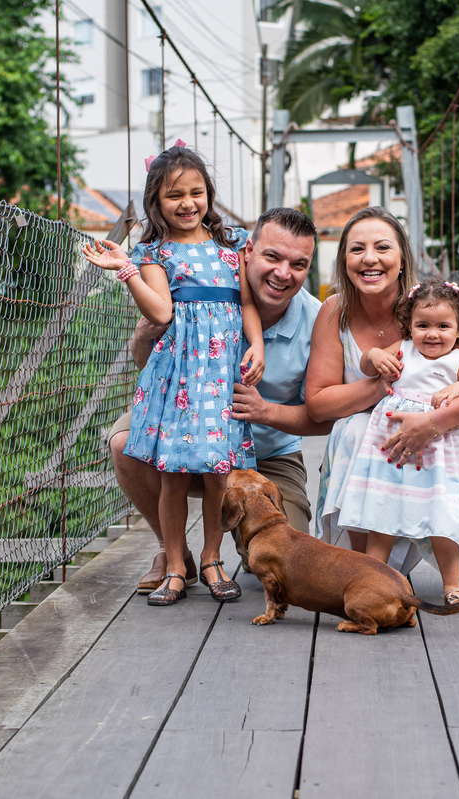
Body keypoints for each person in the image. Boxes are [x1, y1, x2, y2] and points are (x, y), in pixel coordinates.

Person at [103, 207, 330, 599]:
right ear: (246, 253)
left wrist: (267, 411)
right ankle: (173, 553)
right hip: (190, 437)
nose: (282, 273)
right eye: (272, 257)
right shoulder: (194, 293)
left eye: (298, 264)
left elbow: (323, 417)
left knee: (284, 564)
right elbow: (153, 369)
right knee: (124, 441)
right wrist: (146, 335)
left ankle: (220, 555)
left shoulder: (317, 320)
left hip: (267, 457)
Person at [82, 145, 264, 606]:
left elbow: (245, 304)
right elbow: (161, 309)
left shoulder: (232, 246)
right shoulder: (153, 252)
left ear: (209, 194)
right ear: (156, 202)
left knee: (218, 472)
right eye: (173, 195)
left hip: (222, 375)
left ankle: (211, 558)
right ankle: (177, 563)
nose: (187, 203)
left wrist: (256, 344)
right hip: (179, 378)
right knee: (173, 476)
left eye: (196, 192)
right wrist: (126, 270)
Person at [305, 206, 459, 594]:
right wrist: (382, 385)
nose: (370, 258)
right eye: (357, 249)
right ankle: (368, 572)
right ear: (343, 260)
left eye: (382, 247)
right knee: (352, 430)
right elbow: (318, 404)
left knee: (404, 453)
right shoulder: (334, 311)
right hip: (386, 430)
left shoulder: (431, 309)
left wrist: (431, 425)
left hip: (458, 426)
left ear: (402, 259)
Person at [343, 278, 459, 604]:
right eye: (422, 325)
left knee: (441, 519)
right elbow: (363, 365)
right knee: (380, 517)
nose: (432, 333)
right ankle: (374, 582)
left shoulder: (458, 361)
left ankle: (452, 585)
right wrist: (372, 354)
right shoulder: (403, 349)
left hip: (436, 455)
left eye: (444, 326)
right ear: (408, 326)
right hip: (392, 452)